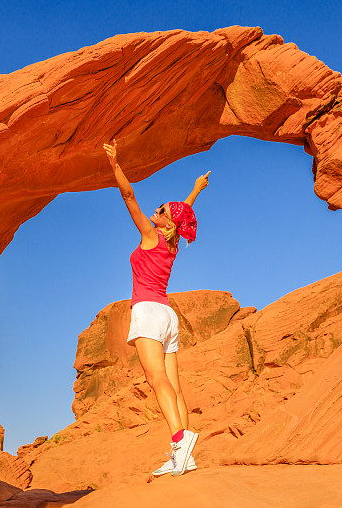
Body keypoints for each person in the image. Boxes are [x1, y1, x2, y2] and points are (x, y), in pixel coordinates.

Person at [103, 139, 210, 477]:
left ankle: (181, 441)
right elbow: (182, 213)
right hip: (168, 316)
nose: (158, 209)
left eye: (162, 210)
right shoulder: (172, 241)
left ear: (165, 221)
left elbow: (129, 197)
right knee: (175, 386)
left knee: (155, 378)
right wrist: (195, 190)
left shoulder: (151, 235)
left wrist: (114, 164)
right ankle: (185, 457)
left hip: (148, 312)